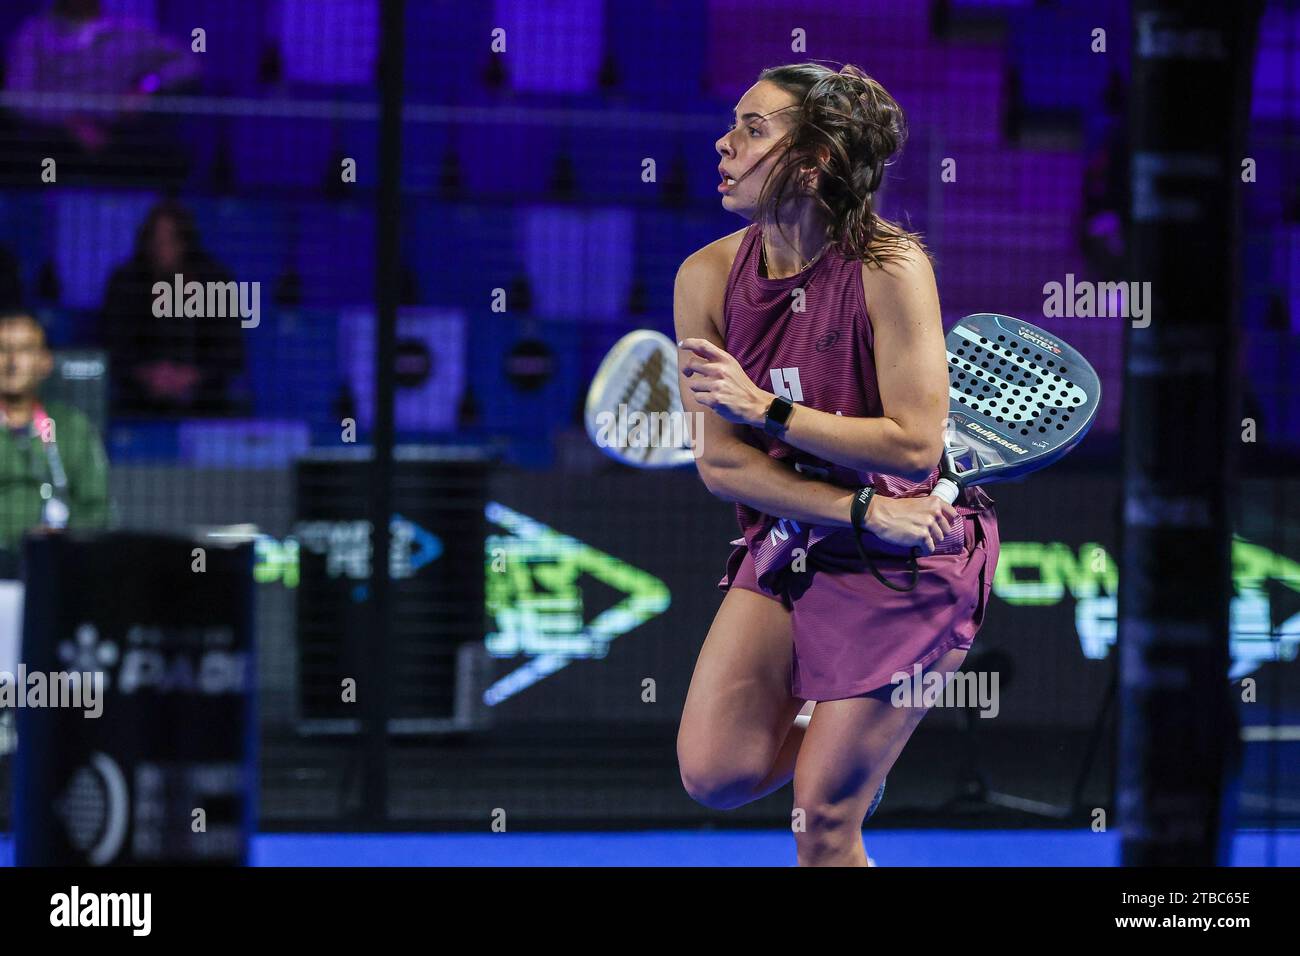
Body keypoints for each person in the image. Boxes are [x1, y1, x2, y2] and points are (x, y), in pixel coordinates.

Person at [674, 62, 999, 866]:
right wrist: (857, 509)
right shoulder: (707, 277)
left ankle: (847, 753)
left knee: (820, 823)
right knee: (716, 773)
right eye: (733, 122)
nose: (726, 142)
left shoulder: (890, 268)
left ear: (812, 161)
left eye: (754, 128)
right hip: (803, 539)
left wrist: (768, 410)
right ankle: (837, 727)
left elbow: (915, 446)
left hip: (912, 558)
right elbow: (723, 467)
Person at [2, 0, 200, 185]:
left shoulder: (129, 32)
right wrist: (70, 120)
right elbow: (18, 97)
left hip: (119, 133)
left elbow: (188, 63)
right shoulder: (34, 34)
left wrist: (146, 86)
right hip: (52, 138)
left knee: (168, 157)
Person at [101, 199, 247, 417]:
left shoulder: (217, 281)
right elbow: (112, 346)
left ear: (187, 243)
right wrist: (147, 374)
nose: (163, 250)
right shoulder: (126, 283)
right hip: (138, 401)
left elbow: (232, 352)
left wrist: (192, 376)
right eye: (157, 241)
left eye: (171, 241)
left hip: (204, 402)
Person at [0, 307, 109, 573]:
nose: (12, 361)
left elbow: (97, 510)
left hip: (54, 571)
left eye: (25, 349)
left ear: (45, 362)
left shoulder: (71, 427)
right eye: (3, 349)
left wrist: (64, 540)